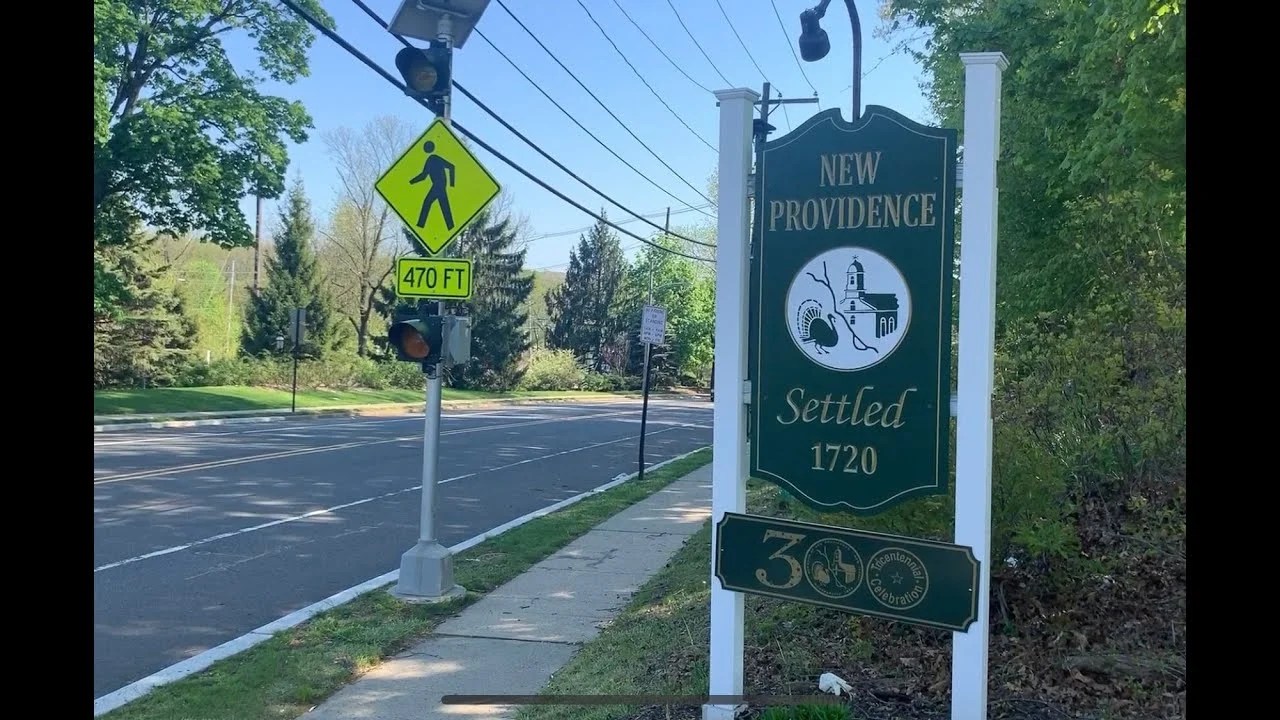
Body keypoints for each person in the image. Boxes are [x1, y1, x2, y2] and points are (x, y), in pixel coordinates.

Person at [409, 140, 456, 230]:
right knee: (444, 207)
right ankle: (450, 227)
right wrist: (411, 182)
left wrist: (452, 184)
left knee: (427, 202)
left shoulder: (433, 158)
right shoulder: (431, 159)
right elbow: (424, 176)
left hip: (439, 185)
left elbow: (452, 167)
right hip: (440, 185)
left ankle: (420, 225)